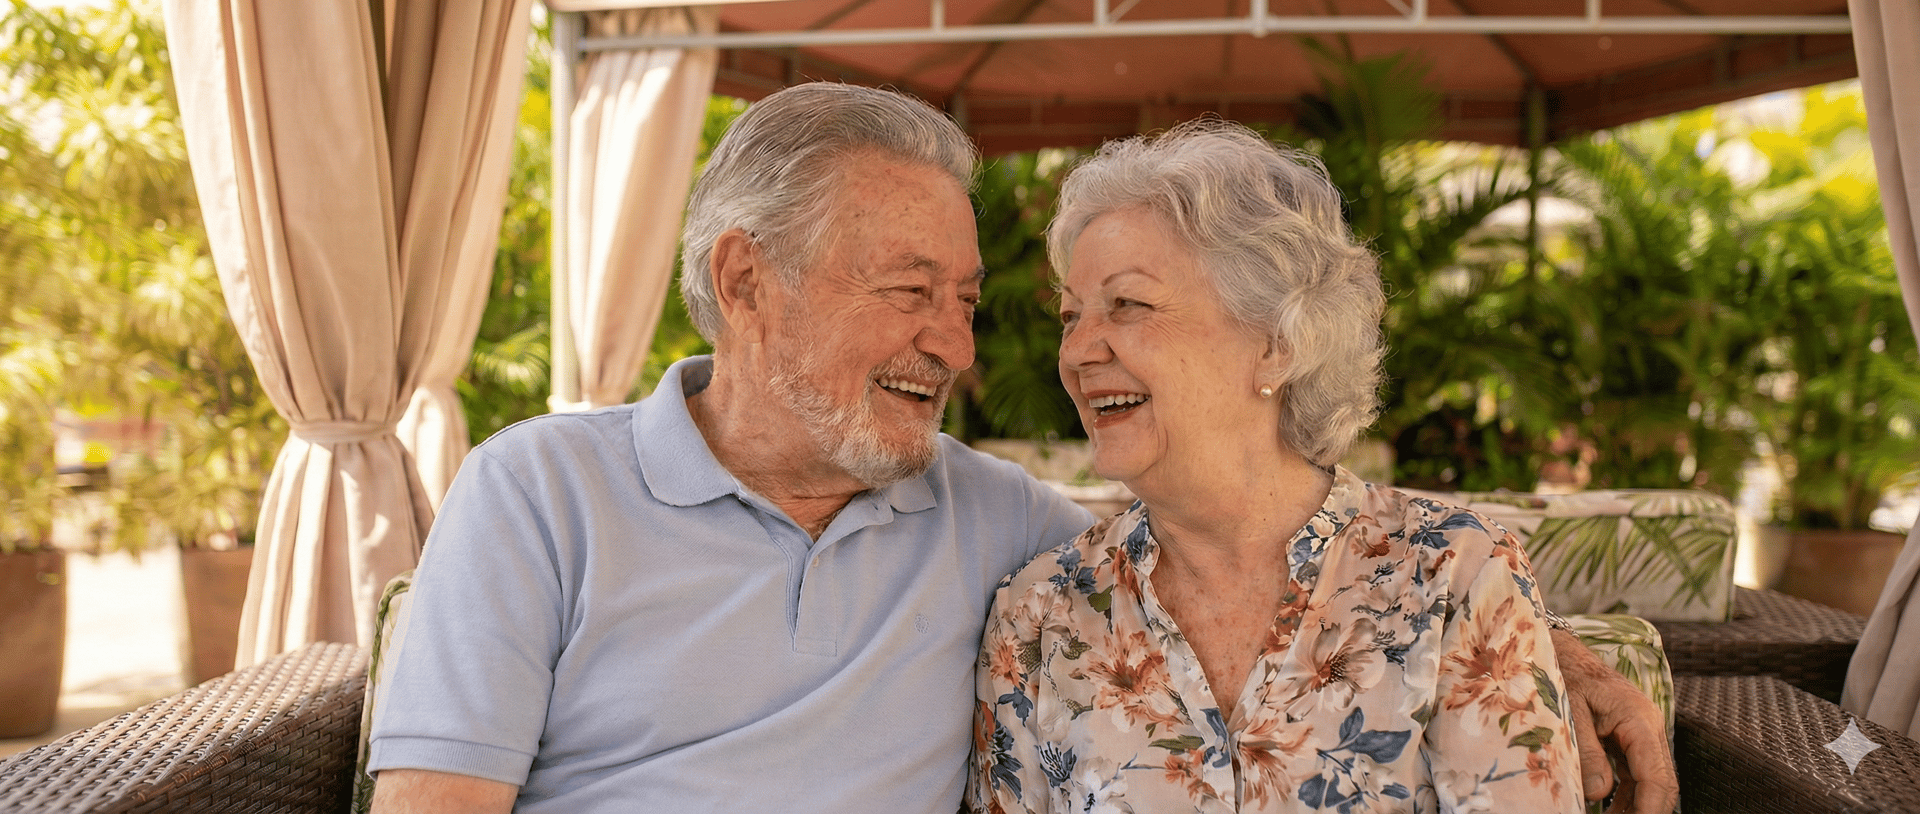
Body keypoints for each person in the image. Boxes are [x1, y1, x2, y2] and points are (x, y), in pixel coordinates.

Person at [367, 83, 1674, 813]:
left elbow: (1254, 537)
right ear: (747, 281)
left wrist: (1533, 639)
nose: (953, 343)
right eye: (909, 288)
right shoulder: (538, 489)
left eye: (971, 299)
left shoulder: (987, 518)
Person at [966, 122, 1610, 813]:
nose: (1079, 350)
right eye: (1070, 315)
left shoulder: (1453, 576)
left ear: (1276, 344)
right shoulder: (1037, 617)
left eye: (1128, 304)